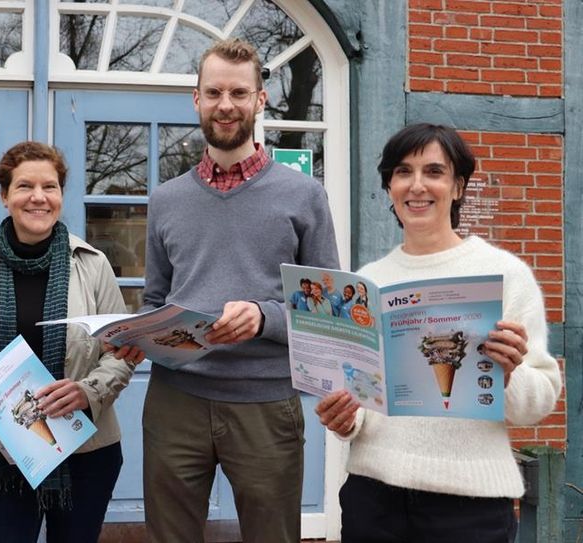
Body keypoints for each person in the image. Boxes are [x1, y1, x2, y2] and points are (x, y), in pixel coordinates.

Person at [112, 38, 339, 542]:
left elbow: (331, 313)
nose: (226, 105)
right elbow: (156, 300)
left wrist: (264, 317)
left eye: (239, 93)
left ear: (260, 99)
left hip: (265, 403)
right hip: (175, 401)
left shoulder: (305, 195)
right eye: (214, 92)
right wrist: (138, 337)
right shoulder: (167, 199)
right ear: (197, 99)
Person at [314, 123, 562, 542]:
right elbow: (362, 399)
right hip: (373, 498)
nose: (417, 186)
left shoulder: (505, 274)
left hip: (470, 505)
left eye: (433, 171)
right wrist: (345, 419)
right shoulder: (368, 282)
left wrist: (508, 376)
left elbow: (538, 403)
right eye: (403, 172)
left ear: (458, 186)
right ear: (390, 187)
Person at [0, 141, 134, 543]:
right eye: (25, 186)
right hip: (2, 453)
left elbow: (120, 352)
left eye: (50, 187)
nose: (38, 197)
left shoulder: (93, 263)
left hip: (86, 451)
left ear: (61, 195)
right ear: (5, 196)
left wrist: (88, 392)